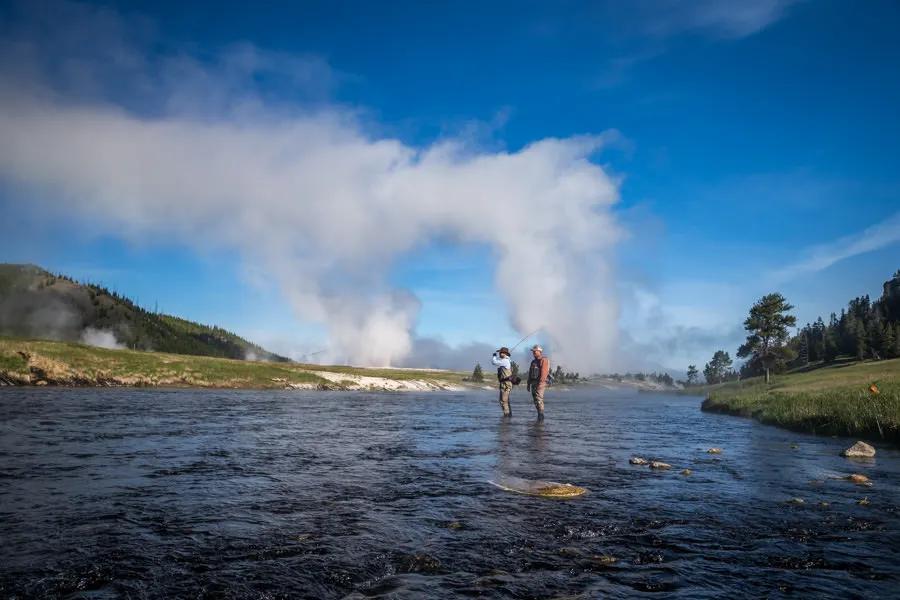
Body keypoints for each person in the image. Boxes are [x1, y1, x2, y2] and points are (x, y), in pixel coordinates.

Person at [526, 344, 550, 421]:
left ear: (539, 351)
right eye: (533, 351)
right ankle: (539, 415)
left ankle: (541, 416)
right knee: (535, 399)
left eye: (535, 351)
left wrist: (541, 383)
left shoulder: (544, 360)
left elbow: (544, 372)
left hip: (540, 383)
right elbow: (530, 373)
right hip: (533, 382)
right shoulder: (533, 361)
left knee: (539, 398)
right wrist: (528, 383)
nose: (533, 353)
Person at [491, 347, 514, 417]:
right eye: (499, 353)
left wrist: (494, 356)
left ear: (504, 353)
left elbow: (494, 362)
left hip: (506, 384)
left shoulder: (505, 361)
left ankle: (506, 416)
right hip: (505, 383)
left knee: (503, 401)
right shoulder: (506, 360)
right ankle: (508, 416)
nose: (499, 354)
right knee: (505, 401)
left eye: (500, 352)